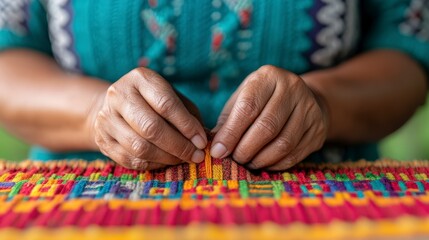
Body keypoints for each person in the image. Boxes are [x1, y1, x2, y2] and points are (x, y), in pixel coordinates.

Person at [0, 0, 428, 171]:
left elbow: (407, 51)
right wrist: (95, 112)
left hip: (330, 202)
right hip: (83, 208)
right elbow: (9, 58)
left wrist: (323, 104)